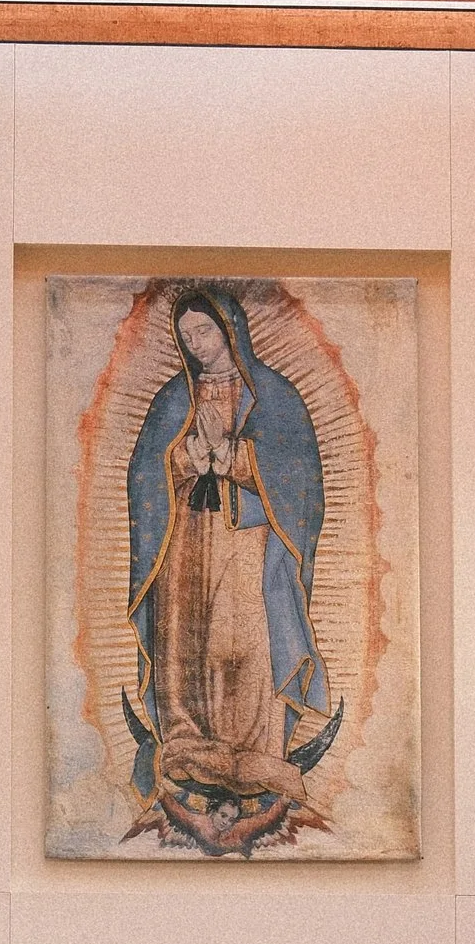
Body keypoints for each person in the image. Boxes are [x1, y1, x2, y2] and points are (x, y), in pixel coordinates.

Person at [121, 287, 340, 851]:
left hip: (246, 545)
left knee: (240, 645)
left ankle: (252, 754)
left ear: (229, 329)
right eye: (187, 336)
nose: (196, 345)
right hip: (186, 544)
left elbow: (301, 481)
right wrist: (180, 459)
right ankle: (189, 745)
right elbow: (146, 471)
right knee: (185, 645)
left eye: (205, 333)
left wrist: (237, 459)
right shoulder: (174, 397)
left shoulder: (273, 396)